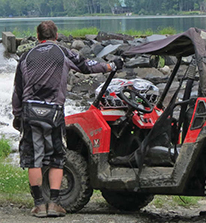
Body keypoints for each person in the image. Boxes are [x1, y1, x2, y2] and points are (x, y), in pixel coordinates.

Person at [12, 20, 123, 218]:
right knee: (56, 157)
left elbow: (17, 90)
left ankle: (38, 204)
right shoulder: (63, 52)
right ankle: (54, 203)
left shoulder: (26, 56)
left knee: (33, 159)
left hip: (30, 111)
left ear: (38, 37)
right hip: (53, 110)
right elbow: (87, 67)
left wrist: (17, 115)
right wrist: (111, 65)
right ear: (56, 36)